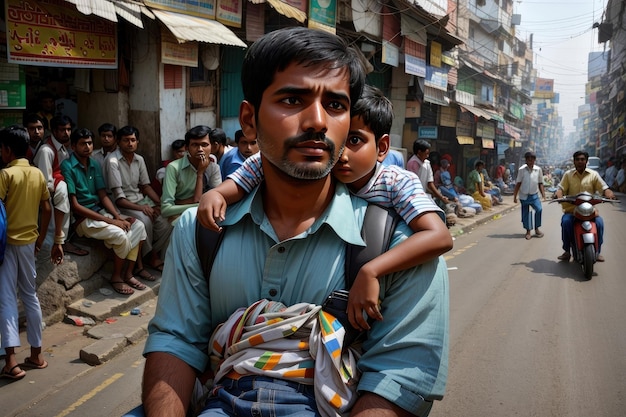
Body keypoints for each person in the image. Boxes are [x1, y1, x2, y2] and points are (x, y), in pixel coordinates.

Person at [138, 27, 449, 417]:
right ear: (249, 122)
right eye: (292, 99)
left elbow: (399, 379)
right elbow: (176, 342)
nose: (318, 121)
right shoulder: (199, 230)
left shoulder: (398, 246)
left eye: (335, 106)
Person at [199, 84, 451, 329]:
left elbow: (439, 236)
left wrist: (372, 271)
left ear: (382, 148)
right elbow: (251, 172)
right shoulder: (312, 167)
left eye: (353, 140)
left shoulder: (396, 182)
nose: (341, 153)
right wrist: (217, 194)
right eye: (336, 137)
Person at [0, 126, 61, 381]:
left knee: (6, 298)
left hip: (6, 245)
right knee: (30, 295)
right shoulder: (37, 174)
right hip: (28, 243)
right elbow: (47, 208)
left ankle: (11, 361)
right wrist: (39, 235)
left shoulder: (5, 174)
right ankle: (37, 354)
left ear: (7, 150)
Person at [60, 128, 148, 295]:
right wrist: (113, 221)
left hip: (101, 212)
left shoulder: (94, 163)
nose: (87, 147)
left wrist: (117, 216)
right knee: (121, 236)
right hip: (83, 219)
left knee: (139, 226)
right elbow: (76, 206)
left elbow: (102, 194)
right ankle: (116, 276)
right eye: (82, 144)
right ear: (73, 146)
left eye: (90, 143)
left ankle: (128, 273)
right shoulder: (68, 166)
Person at [105, 125, 172, 276]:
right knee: (145, 219)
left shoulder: (139, 159)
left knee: (166, 219)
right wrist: (142, 208)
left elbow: (146, 186)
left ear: (137, 142)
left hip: (140, 200)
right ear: (119, 142)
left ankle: (150, 252)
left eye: (133, 140)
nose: (130, 143)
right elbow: (119, 199)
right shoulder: (112, 161)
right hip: (120, 205)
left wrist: (161, 203)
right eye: (126, 140)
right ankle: (151, 257)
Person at [33, 115, 89, 256]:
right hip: (47, 195)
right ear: (54, 131)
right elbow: (46, 183)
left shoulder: (63, 149)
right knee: (63, 191)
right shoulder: (47, 150)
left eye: (69, 129)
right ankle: (58, 241)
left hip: (58, 192)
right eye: (62, 130)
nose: (67, 133)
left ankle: (62, 240)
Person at [555, 150, 615, 262]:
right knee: (566, 222)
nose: (580, 162)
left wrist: (609, 194)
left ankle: (597, 252)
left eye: (582, 159)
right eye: (577, 159)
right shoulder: (568, 175)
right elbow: (561, 189)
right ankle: (567, 251)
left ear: (586, 161)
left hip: (589, 211)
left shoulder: (594, 175)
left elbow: (604, 187)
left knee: (600, 223)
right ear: (574, 161)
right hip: (572, 210)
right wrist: (558, 194)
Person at [161, 125, 222, 225]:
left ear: (212, 147)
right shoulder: (173, 168)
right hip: (176, 217)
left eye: (204, 145)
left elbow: (216, 198)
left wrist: (184, 202)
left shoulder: (214, 168)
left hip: (201, 213)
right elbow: (166, 209)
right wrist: (199, 205)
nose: (200, 149)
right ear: (186, 148)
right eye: (195, 145)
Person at [406, 139, 450, 209]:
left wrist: (440, 197)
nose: (427, 156)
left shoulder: (427, 163)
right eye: (426, 153)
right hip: (414, 198)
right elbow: (413, 185)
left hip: (423, 196)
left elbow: (430, 183)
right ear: (419, 152)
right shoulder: (413, 163)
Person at [512, 151, 545, 240]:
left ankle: (537, 228)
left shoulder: (538, 170)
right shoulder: (522, 170)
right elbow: (518, 183)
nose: (530, 162)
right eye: (528, 160)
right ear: (526, 160)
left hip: (534, 194)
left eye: (532, 160)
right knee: (526, 213)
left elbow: (540, 183)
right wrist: (515, 196)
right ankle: (528, 231)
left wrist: (543, 195)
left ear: (534, 160)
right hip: (524, 194)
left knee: (539, 209)